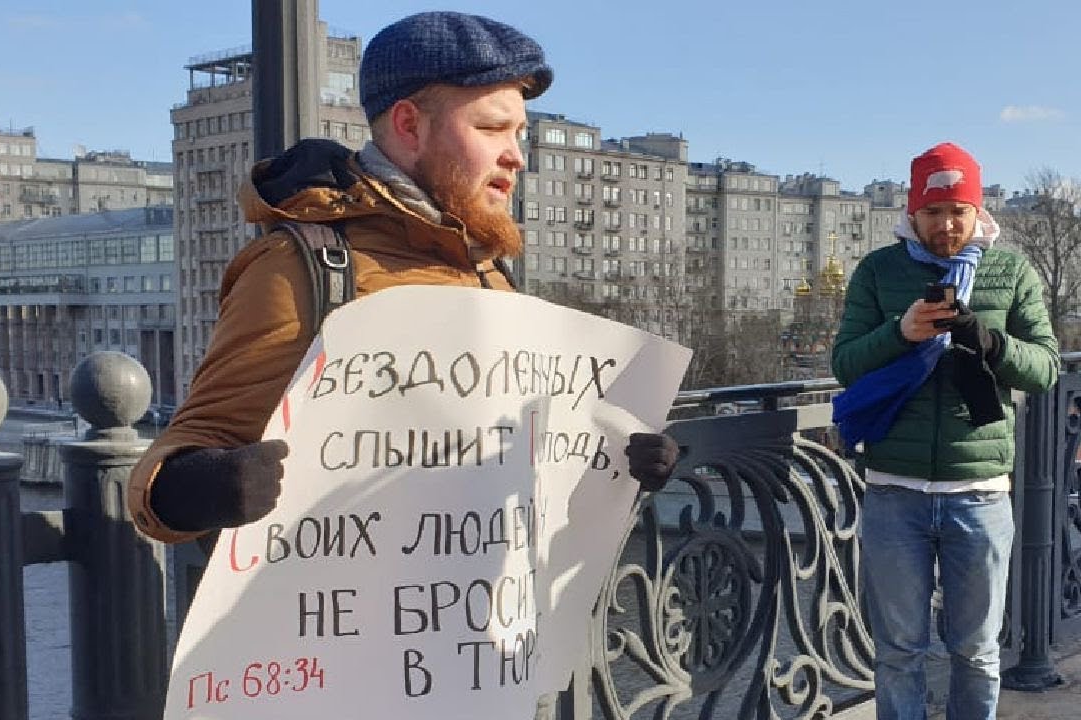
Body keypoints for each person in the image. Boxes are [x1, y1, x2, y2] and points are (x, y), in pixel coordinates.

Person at [125, 11, 681, 546]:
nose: (516, 157)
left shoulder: (485, 264)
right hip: (356, 622)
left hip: (486, 626)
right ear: (409, 124)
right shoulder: (300, 268)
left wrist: (617, 456)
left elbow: (515, 438)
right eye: (492, 128)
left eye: (520, 134)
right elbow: (182, 454)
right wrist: (201, 488)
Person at [830, 142, 1059, 719]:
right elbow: (846, 363)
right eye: (933, 212)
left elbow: (1047, 367)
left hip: (979, 493)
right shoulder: (879, 271)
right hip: (893, 490)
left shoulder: (1009, 270)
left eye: (958, 210)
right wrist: (901, 331)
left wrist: (990, 341)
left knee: (977, 652)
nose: (947, 224)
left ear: (977, 211)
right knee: (898, 652)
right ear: (913, 213)